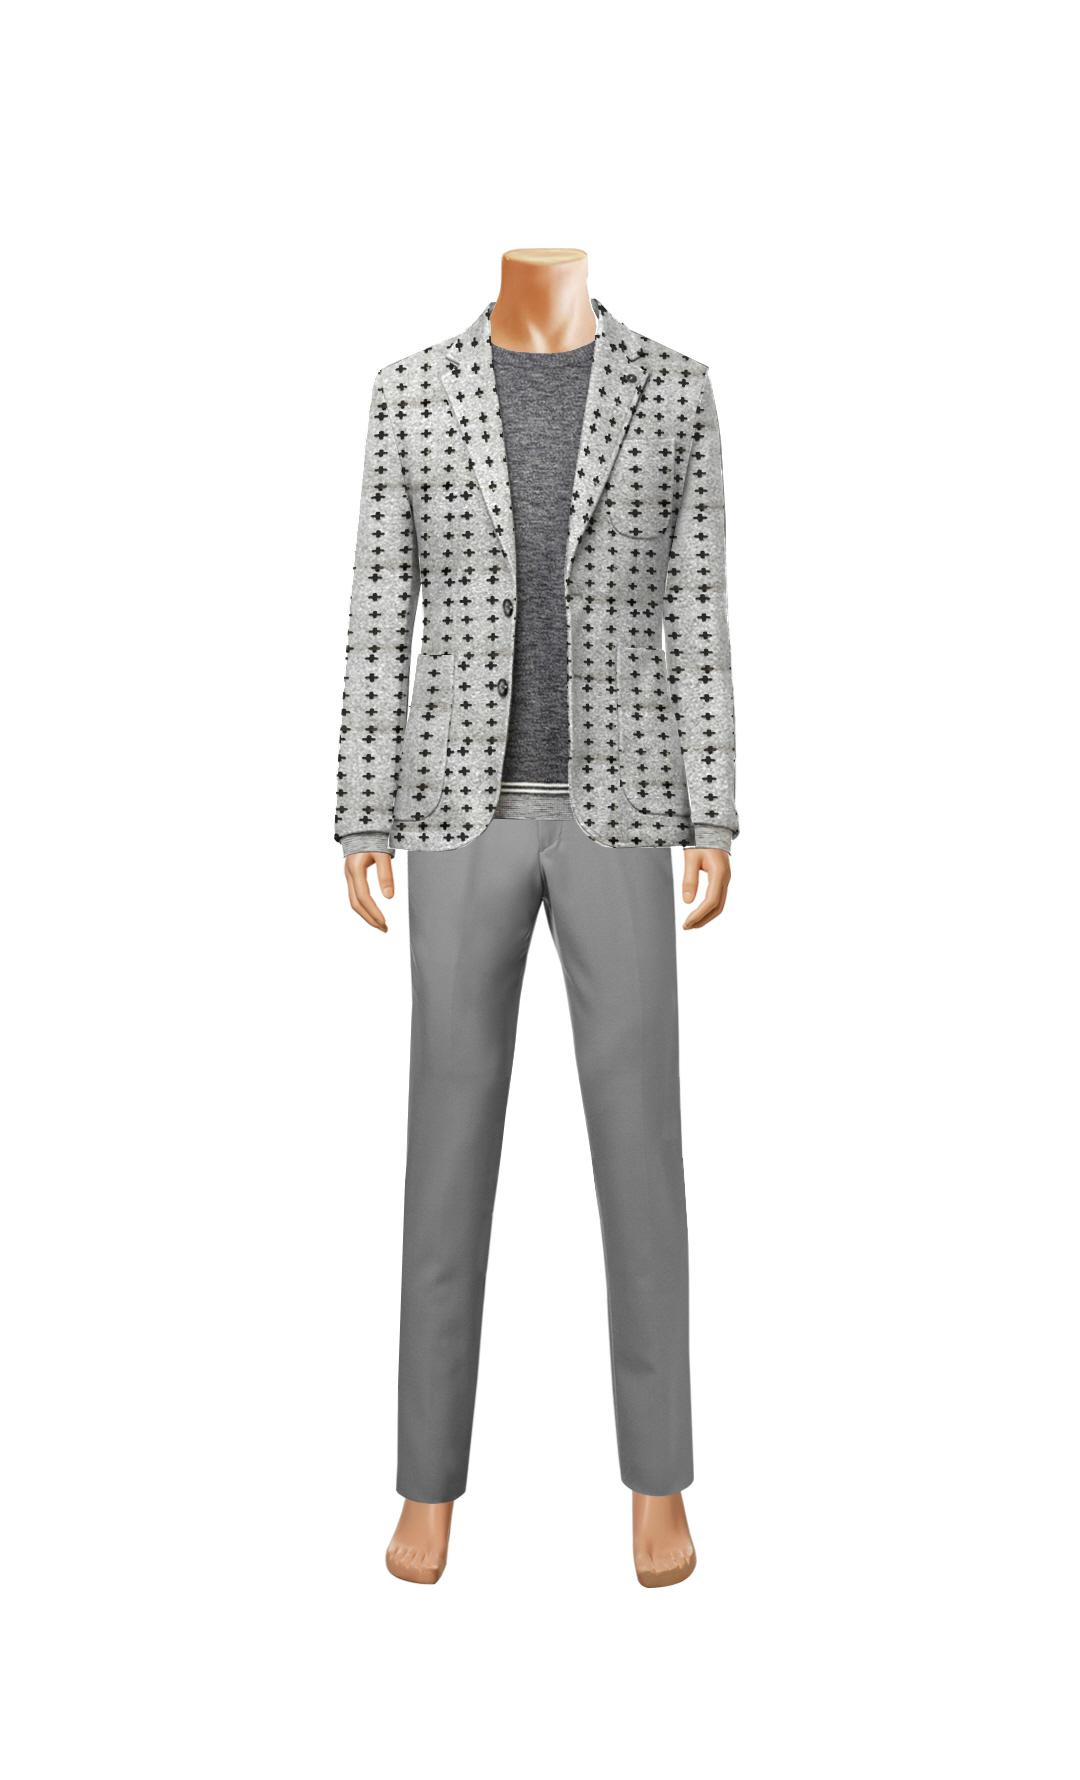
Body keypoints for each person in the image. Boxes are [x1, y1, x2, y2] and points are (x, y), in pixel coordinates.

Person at [336, 249, 737, 1586]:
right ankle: (427, 1483)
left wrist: (713, 810)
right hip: (458, 814)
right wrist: (363, 813)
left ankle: (658, 1482)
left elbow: (696, 610)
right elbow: (378, 613)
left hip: (623, 809)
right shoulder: (410, 392)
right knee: (444, 1151)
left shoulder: (673, 389)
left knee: (642, 1151)